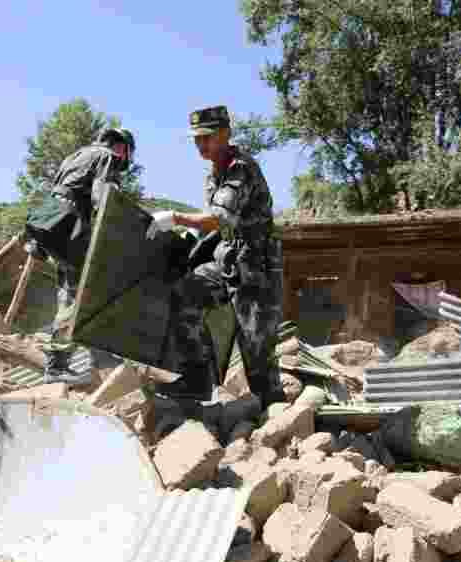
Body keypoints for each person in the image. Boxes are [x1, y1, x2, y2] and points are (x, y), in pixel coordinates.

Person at [149, 105, 287, 409]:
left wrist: (175, 218)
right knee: (184, 294)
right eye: (196, 139)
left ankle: (276, 413)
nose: (201, 145)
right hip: (228, 260)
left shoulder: (241, 167)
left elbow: (218, 218)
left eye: (207, 137)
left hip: (257, 265)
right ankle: (196, 379)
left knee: (256, 348)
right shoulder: (214, 174)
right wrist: (190, 243)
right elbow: (217, 229)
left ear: (225, 134)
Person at [24, 127, 136, 384]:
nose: (123, 161)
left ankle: (66, 364)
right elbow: (102, 195)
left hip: (53, 227)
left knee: (70, 291)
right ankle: (93, 362)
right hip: (70, 227)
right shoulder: (106, 156)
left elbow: (57, 193)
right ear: (121, 147)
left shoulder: (75, 156)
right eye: (125, 155)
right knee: (89, 291)